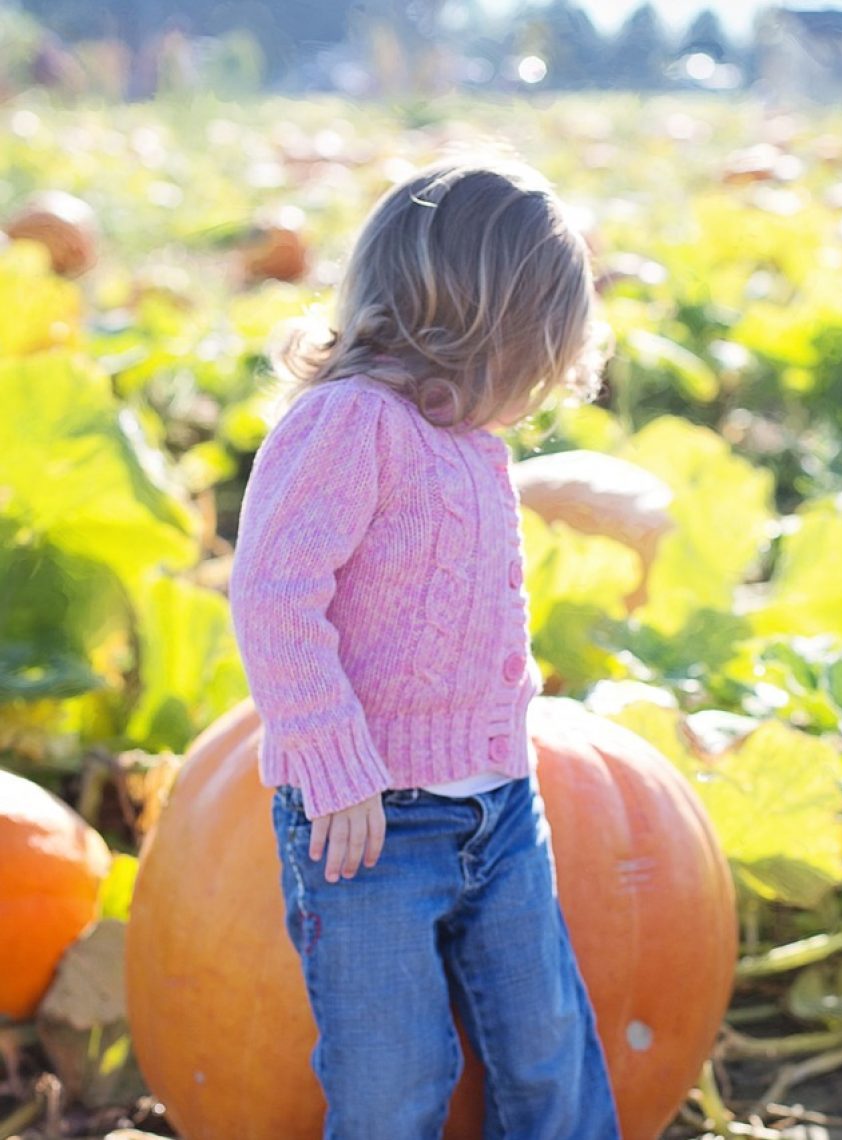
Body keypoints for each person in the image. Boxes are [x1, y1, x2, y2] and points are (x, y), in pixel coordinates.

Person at [227, 157, 621, 1140]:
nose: (532, 400)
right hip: (369, 824)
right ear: (482, 327)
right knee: (392, 1078)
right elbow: (275, 596)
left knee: (546, 1044)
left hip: (499, 807)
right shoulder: (347, 424)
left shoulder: (469, 439)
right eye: (533, 365)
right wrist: (332, 762)